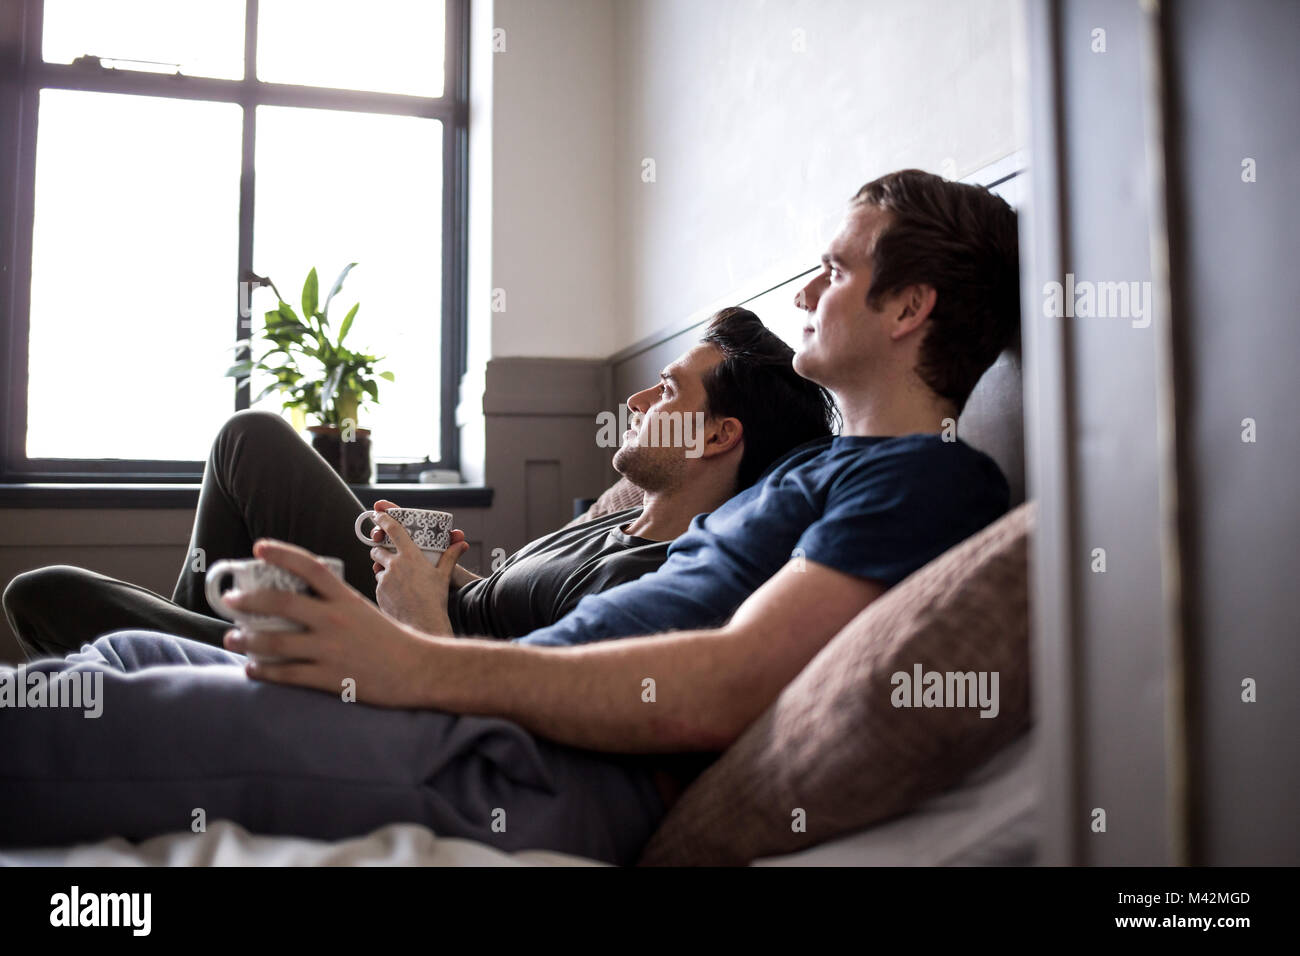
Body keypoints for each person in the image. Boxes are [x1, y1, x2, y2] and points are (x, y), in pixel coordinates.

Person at [0, 170, 1020, 866]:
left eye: (837, 270)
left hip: (534, 761)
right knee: (124, 656)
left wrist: (416, 662)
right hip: (489, 715)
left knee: (82, 722)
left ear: (906, 309)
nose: (807, 289)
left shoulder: (927, 480)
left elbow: (727, 685)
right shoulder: (815, 473)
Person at [2, 308, 836, 657]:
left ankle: (184, 640)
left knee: (49, 595)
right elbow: (502, 601)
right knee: (248, 438)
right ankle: (192, 629)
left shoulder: (661, 581)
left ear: (720, 435)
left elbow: (504, 688)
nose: (637, 399)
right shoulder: (620, 521)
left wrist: (418, 608)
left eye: (667, 393)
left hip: (395, 653)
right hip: (417, 603)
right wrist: (425, 552)